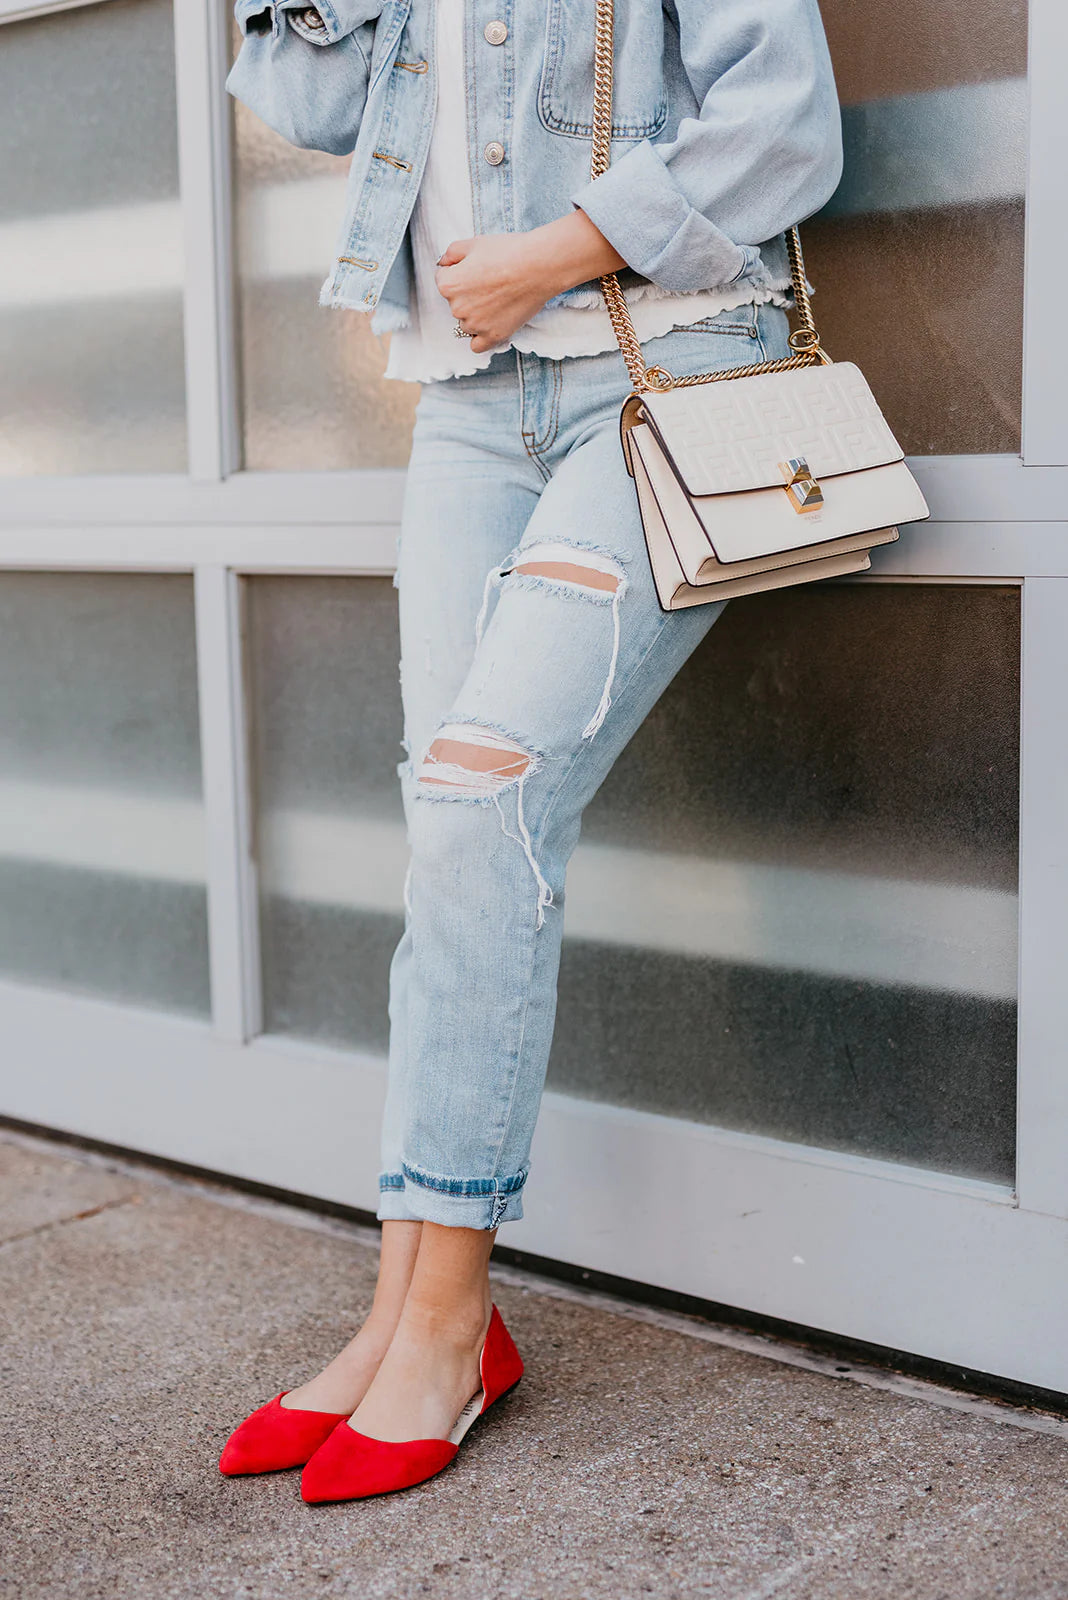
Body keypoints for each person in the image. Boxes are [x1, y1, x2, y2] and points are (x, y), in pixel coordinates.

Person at [219, 0, 843, 1502]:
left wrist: (551, 252)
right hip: (469, 406)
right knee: (447, 828)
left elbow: (786, 122)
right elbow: (310, 101)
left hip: (671, 367)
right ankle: (404, 1313)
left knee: (479, 804)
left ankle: (447, 1325)